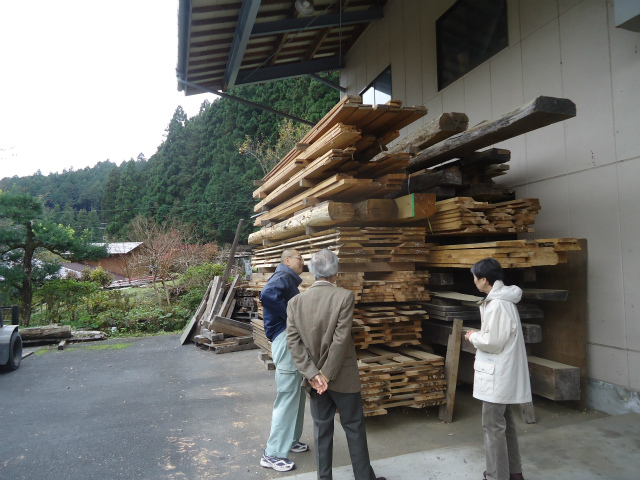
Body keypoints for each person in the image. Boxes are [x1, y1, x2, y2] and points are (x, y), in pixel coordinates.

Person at [286, 249, 386, 480]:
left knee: (321, 430)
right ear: (335, 272)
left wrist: (313, 375)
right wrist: (327, 375)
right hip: (342, 376)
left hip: (315, 382)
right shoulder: (344, 297)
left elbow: (293, 342)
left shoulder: (295, 302)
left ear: (311, 271)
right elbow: (341, 340)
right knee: (354, 428)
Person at [464, 258, 532, 480]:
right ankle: (513, 473)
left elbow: (493, 342)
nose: (474, 282)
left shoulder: (497, 304)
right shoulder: (503, 300)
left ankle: (496, 476)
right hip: (502, 373)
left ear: (485, 279)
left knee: (492, 427)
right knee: (505, 425)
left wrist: (473, 336)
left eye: (475, 278)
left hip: (497, 375)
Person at [259, 249, 308, 472]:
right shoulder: (283, 276)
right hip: (285, 338)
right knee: (288, 394)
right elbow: (267, 295)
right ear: (287, 261)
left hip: (288, 339)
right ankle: (273, 453)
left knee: (296, 392)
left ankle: (290, 440)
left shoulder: (287, 278)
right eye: (300, 257)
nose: (303, 261)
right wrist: (292, 317)